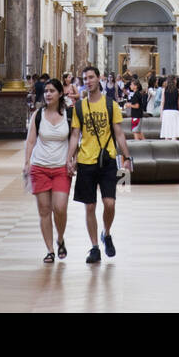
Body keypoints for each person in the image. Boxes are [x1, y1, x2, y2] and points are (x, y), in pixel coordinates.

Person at [67, 64, 132, 264]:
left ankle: (107, 233)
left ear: (98, 79)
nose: (88, 81)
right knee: (89, 207)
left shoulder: (110, 104)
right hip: (86, 160)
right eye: (85, 78)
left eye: (91, 77)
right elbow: (75, 134)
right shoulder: (79, 107)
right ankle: (95, 247)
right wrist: (69, 158)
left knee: (110, 203)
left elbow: (119, 132)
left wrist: (127, 158)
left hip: (108, 159)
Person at [24, 77, 73, 262]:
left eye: (52, 91)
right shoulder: (38, 114)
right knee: (44, 211)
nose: (48, 94)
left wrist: (72, 159)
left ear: (60, 93)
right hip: (40, 168)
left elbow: (75, 139)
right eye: (46, 91)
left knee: (59, 208)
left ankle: (60, 238)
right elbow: (30, 140)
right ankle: (50, 250)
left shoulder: (68, 115)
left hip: (61, 168)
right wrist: (27, 162)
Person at [160, 76, 179, 140]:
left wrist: (161, 113)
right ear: (174, 81)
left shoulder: (164, 90)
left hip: (166, 111)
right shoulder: (178, 91)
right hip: (175, 111)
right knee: (174, 132)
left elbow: (162, 102)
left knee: (166, 131)